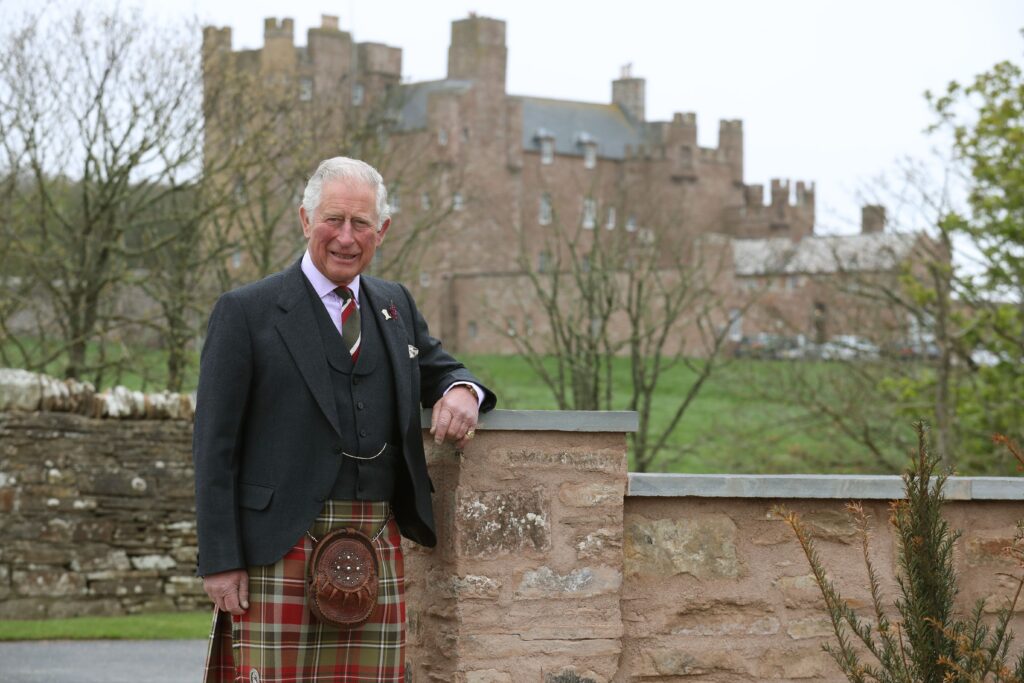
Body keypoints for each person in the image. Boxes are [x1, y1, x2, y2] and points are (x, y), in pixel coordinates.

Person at [194, 156, 495, 683]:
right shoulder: (247, 312)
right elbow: (213, 448)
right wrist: (220, 560)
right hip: (277, 545)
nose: (346, 237)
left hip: (376, 538)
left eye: (361, 224)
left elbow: (440, 369)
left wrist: (462, 391)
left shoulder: (393, 304)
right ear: (305, 220)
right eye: (334, 219)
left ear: (382, 230)